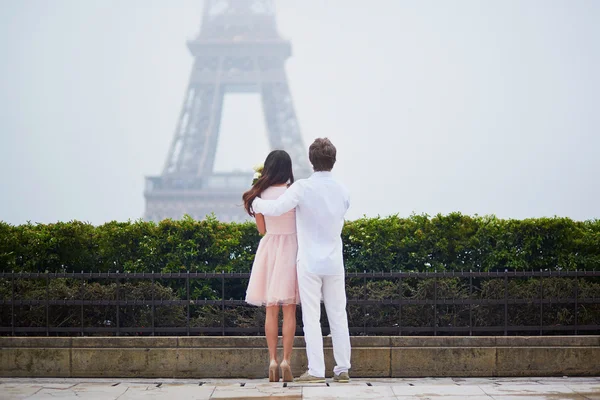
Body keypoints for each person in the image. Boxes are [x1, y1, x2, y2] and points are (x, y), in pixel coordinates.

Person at [252, 138, 351, 383]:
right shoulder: (342, 190)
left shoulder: (302, 188)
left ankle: (317, 371)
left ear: (311, 160)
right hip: (334, 262)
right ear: (333, 161)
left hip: (309, 261)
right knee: (338, 314)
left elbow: (274, 209)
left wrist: (254, 200)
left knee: (311, 318)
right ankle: (343, 368)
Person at [243, 150, 300, 383]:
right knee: (290, 309)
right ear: (287, 169)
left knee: (271, 308)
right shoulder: (293, 193)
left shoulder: (258, 195)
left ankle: (272, 361)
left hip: (270, 249)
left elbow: (262, 231)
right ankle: (287, 360)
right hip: (291, 248)